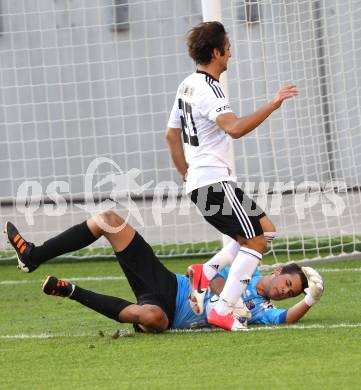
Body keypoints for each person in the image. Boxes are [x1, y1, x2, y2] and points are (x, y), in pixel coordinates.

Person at [166, 21, 298, 330]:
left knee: (266, 230)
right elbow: (234, 128)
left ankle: (208, 271)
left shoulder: (186, 84)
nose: (231, 52)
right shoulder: (210, 89)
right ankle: (223, 307)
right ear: (215, 51)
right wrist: (273, 104)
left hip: (206, 181)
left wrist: (186, 174)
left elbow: (171, 135)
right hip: (213, 183)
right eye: (227, 46)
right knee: (255, 241)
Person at [5, 211, 323, 333]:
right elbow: (210, 270)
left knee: (152, 318)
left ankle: (72, 291)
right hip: (168, 284)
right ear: (279, 270)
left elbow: (286, 319)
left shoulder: (264, 310)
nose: (285, 291)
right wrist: (209, 279)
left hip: (167, 314)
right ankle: (34, 255)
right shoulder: (247, 266)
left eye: (290, 293)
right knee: (109, 219)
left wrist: (309, 300)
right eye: (289, 284)